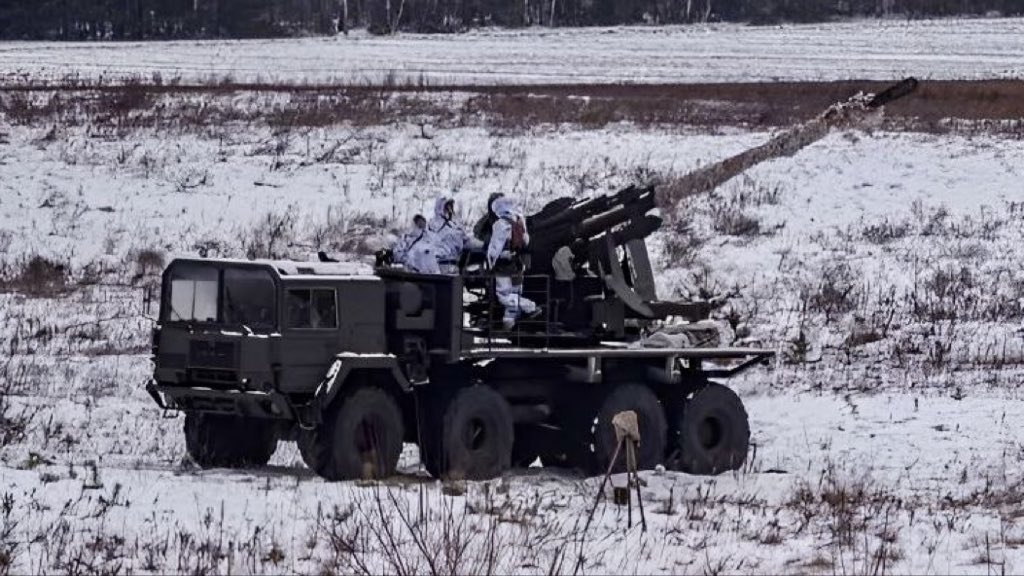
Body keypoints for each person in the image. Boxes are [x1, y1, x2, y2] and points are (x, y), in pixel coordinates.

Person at [486, 197, 540, 329]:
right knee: (514, 296)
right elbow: (526, 242)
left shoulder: (501, 224)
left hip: (504, 266)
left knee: (504, 296)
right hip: (518, 266)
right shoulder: (520, 222)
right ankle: (509, 326)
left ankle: (531, 307)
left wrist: (490, 263)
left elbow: (495, 247)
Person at [428, 196, 483, 274]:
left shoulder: (456, 225)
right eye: (447, 206)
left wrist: (483, 244)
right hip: (437, 264)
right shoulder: (432, 225)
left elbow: (467, 241)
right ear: (441, 206)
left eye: (451, 206)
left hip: (453, 265)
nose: (449, 209)